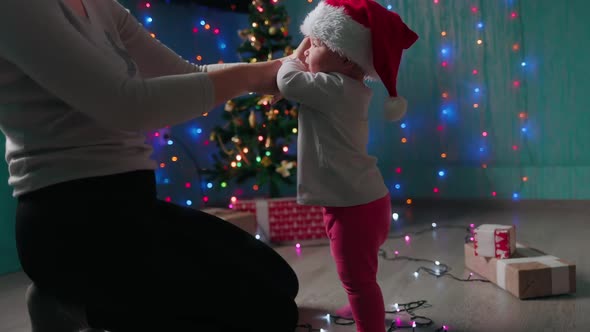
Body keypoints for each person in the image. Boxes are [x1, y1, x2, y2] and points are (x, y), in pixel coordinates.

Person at [0, 0, 302, 331]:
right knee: (269, 315)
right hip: (68, 221)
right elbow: (129, 104)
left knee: (279, 279)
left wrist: (279, 67)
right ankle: (72, 305)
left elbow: (188, 74)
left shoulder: (102, 6)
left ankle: (77, 299)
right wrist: (255, 76)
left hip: (134, 203)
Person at [276, 0, 418, 331]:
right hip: (355, 199)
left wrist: (293, 58)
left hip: (355, 204)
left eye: (316, 43)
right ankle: (359, 305)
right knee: (355, 273)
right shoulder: (344, 86)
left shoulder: (335, 88)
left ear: (344, 56)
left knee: (358, 280)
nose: (307, 50)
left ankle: (369, 322)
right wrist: (310, 47)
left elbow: (287, 81)